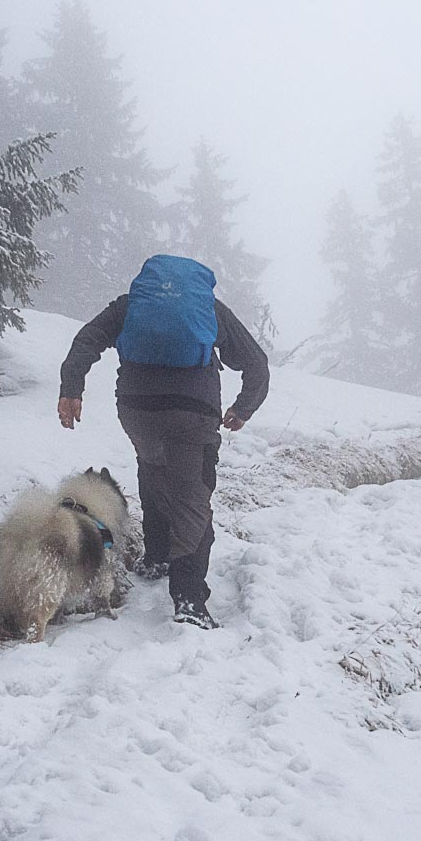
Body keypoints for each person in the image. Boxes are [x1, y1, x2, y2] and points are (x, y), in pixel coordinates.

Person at [57, 255, 270, 627]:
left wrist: (71, 388)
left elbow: (86, 340)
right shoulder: (210, 310)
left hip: (137, 412)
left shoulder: (130, 305)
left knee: (153, 469)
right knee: (192, 500)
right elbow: (256, 363)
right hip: (192, 415)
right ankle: (189, 600)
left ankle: (156, 557)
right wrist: (243, 408)